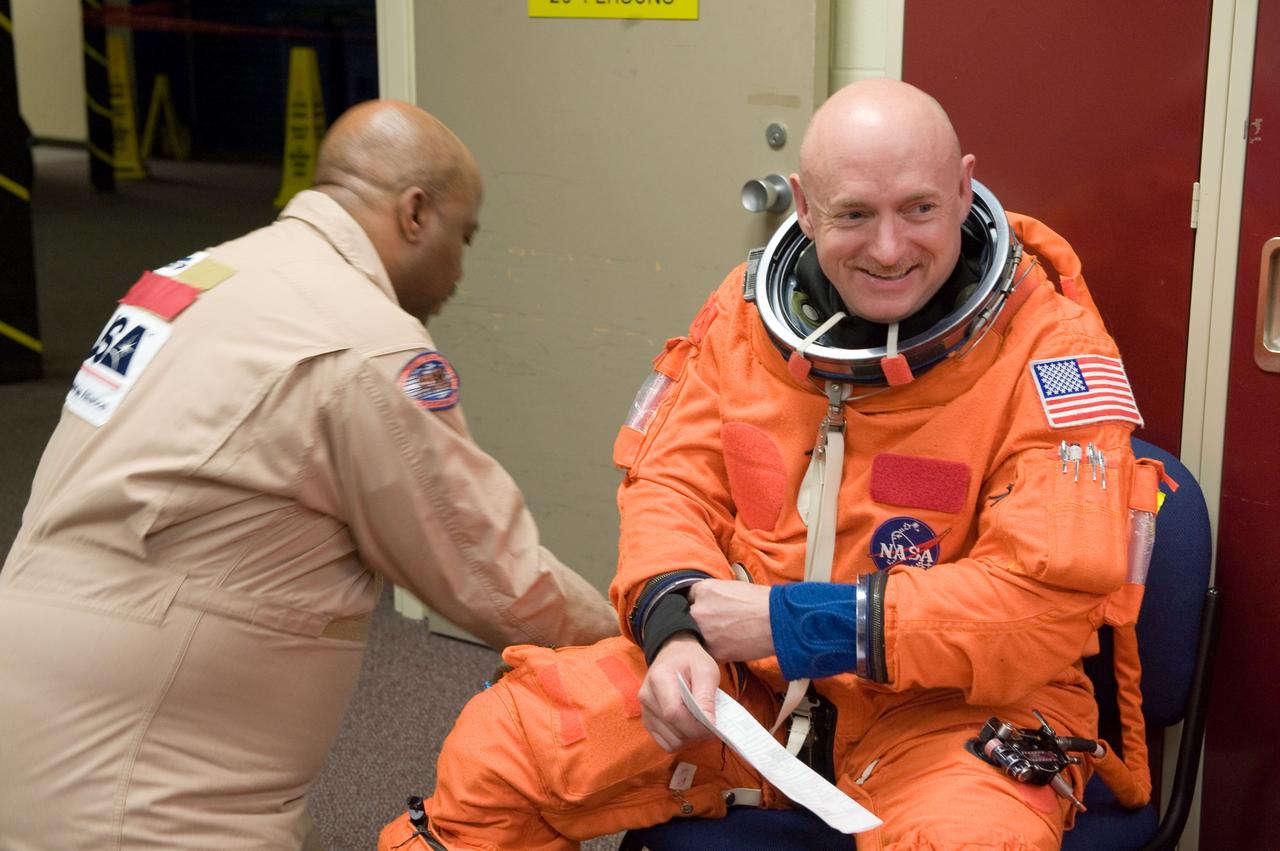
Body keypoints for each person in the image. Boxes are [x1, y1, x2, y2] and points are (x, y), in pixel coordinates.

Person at [380, 79, 1161, 850]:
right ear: (803, 204)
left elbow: (1042, 603)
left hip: (953, 704)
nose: (889, 248)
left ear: (963, 190)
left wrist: (798, 625)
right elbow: (672, 485)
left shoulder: (1054, 350)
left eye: (919, 208)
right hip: (744, 684)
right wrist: (676, 628)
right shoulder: (745, 317)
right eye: (853, 214)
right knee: (508, 748)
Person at [0, 99, 617, 851]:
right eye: (465, 236)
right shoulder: (364, 341)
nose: (460, 267)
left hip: (38, 693)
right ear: (415, 213)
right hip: (143, 774)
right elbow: (493, 576)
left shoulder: (194, 278)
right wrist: (644, 637)